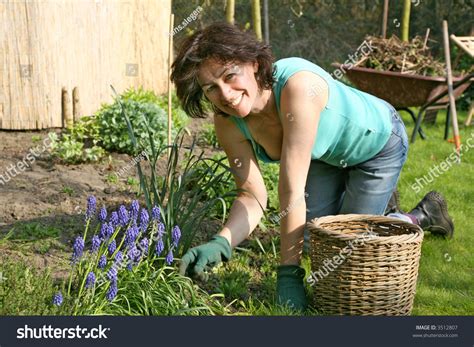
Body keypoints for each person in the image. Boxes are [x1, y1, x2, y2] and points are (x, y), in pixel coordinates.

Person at [170, 22, 454, 311]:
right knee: (314, 238)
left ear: (254, 64)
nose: (226, 94)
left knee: (350, 246)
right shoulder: (227, 121)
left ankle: (420, 215)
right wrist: (222, 242)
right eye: (211, 88)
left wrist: (288, 275)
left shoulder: (298, 87)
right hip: (325, 155)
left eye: (230, 76)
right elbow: (252, 195)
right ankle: (375, 207)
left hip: (377, 142)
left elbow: (291, 190)